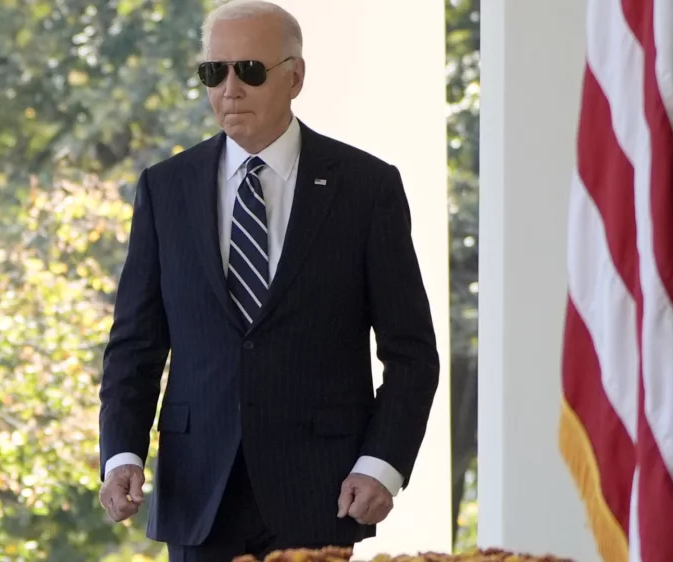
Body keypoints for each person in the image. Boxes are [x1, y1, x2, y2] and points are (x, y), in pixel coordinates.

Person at [97, 0, 440, 560]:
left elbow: (412, 353)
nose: (230, 89)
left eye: (250, 71)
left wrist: (381, 464)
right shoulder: (165, 188)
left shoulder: (366, 187)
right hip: (197, 491)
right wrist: (121, 454)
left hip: (322, 493)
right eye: (215, 72)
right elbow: (134, 345)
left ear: (295, 78)